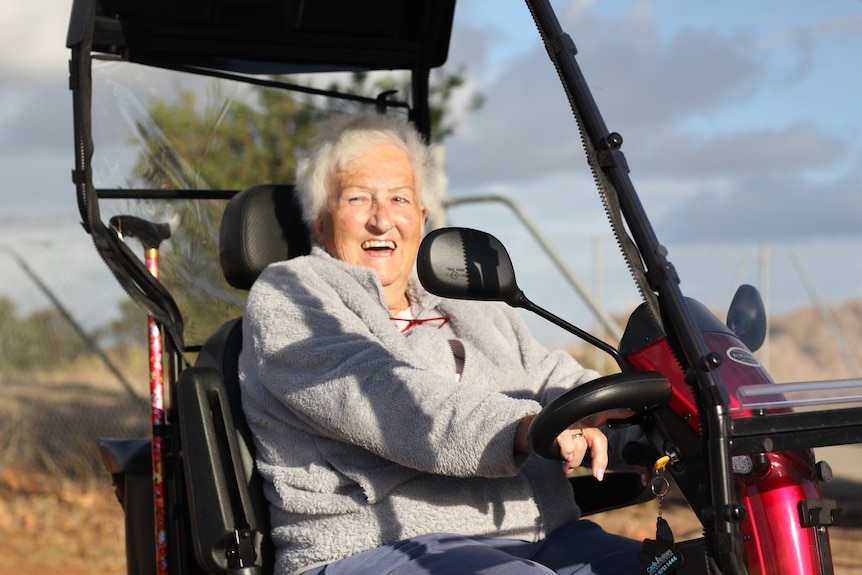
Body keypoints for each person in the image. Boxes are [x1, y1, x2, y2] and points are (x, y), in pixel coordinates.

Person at [238, 113, 644, 575]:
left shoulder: (468, 301)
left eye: (399, 198)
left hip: (542, 537)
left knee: (675, 565)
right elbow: (391, 399)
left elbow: (557, 381)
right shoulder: (292, 295)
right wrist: (525, 425)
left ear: (422, 217)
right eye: (357, 198)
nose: (381, 219)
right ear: (319, 219)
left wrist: (642, 421)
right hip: (375, 544)